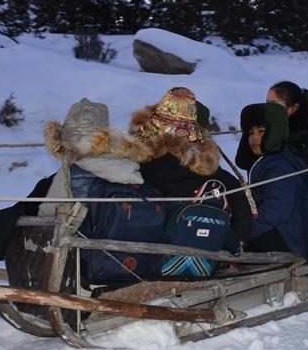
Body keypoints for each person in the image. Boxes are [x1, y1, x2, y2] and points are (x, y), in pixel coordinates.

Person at [83, 87, 251, 249]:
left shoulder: (139, 160)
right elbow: (241, 218)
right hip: (194, 253)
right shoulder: (217, 177)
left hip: (132, 248)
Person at [237, 102, 308, 253]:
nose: (254, 138)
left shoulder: (280, 166)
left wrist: (244, 232)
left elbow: (275, 210)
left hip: (289, 236)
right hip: (282, 230)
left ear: (276, 131)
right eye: (250, 133)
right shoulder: (268, 160)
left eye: (261, 131)